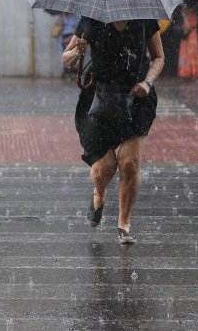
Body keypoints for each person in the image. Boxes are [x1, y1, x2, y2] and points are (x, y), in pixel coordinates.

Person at [62, 18, 164, 244]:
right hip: (100, 99)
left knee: (129, 164)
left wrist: (147, 82)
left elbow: (159, 57)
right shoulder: (91, 21)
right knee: (104, 169)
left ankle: (123, 225)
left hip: (137, 97)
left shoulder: (145, 20)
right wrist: (76, 53)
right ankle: (99, 194)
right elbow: (66, 59)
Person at [177, 0, 198, 79]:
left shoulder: (188, 16)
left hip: (190, 36)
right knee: (189, 54)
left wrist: (184, 17)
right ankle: (191, 71)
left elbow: (187, 27)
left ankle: (188, 71)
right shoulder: (193, 14)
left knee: (189, 54)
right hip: (190, 36)